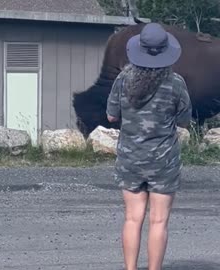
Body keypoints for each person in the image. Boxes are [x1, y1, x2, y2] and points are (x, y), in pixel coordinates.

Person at [106, 23, 192, 270]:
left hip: (130, 159)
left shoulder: (123, 79)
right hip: (163, 161)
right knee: (158, 221)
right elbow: (185, 120)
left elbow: (111, 116)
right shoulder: (176, 83)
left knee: (132, 219)